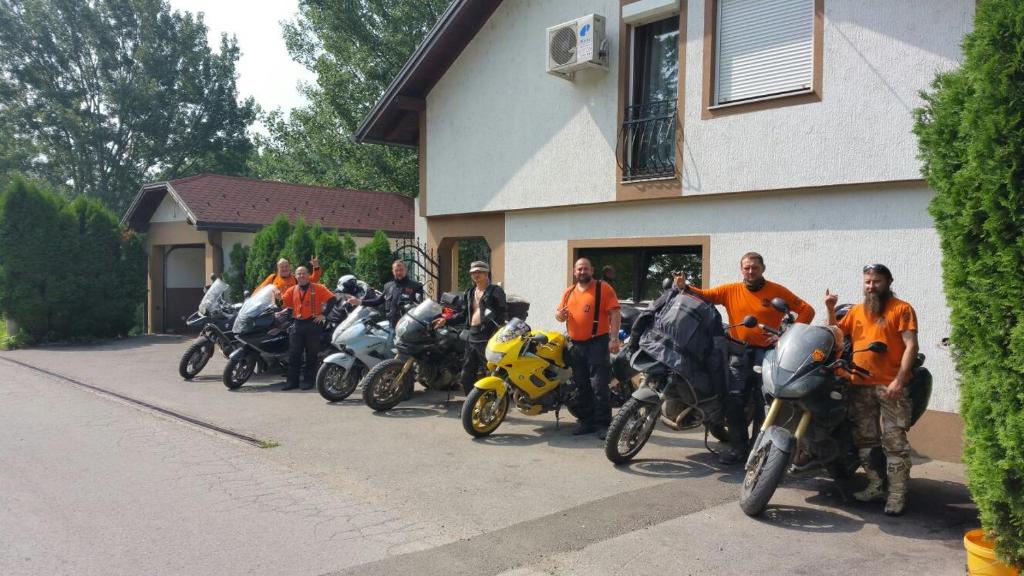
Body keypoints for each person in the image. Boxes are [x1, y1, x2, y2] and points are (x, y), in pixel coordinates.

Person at [674, 252, 815, 464]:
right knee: (733, 399)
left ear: (763, 269)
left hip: (767, 353)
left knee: (762, 401)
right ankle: (738, 448)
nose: (750, 271)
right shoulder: (731, 290)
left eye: (755, 268)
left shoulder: (777, 291)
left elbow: (807, 310)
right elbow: (706, 295)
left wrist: (786, 334)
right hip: (737, 352)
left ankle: (756, 450)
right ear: (741, 269)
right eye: (747, 268)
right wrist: (684, 286)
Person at [826, 263, 918, 516]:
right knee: (865, 439)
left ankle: (897, 495)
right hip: (859, 385)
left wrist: (899, 380)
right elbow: (836, 334)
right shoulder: (856, 310)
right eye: (867, 282)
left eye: (876, 281)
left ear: (888, 281)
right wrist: (830, 309)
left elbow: (911, 345)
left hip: (890, 386)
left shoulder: (902, 309)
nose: (871, 286)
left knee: (895, 443)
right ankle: (876, 485)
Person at [556, 258, 621, 438]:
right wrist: (559, 316)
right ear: (574, 271)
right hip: (575, 345)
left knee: (599, 385)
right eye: (579, 269)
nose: (582, 272)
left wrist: (614, 338)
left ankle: (603, 424)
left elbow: (615, 313)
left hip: (597, 343)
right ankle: (587, 422)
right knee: (581, 385)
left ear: (591, 270)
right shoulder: (569, 292)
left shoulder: (603, 288)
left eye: (585, 269)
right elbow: (559, 315)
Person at [434, 261, 507, 394]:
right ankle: (471, 405)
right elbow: (463, 314)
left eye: (479, 271)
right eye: (473, 272)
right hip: (471, 335)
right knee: (466, 374)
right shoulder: (470, 292)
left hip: (487, 335)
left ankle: (496, 402)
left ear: (486, 273)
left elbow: (502, 314)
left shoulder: (495, 291)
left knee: (491, 371)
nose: (476, 274)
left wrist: (497, 333)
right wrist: (446, 320)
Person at [279, 266, 336, 390]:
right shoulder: (291, 290)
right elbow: (285, 304)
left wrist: (323, 315)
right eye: (298, 274)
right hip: (297, 324)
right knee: (294, 355)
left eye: (303, 273)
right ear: (295, 276)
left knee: (311, 354)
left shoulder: (318, 288)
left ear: (308, 275)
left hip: (313, 324)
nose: (301, 276)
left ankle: (308, 381)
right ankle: (292, 382)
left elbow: (332, 299)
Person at [347, 260, 424, 328]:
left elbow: (421, 307)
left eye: (401, 270)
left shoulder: (415, 286)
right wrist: (359, 301)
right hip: (392, 325)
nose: (399, 272)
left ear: (406, 270)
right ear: (393, 271)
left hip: (408, 326)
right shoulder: (388, 286)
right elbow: (378, 301)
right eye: (396, 270)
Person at [254, 256, 322, 293]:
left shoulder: (296, 278)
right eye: (282, 267)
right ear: (278, 268)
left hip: (292, 312)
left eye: (286, 266)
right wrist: (250, 301)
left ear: (290, 267)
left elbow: (314, 279)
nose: (284, 269)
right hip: (275, 311)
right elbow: (260, 289)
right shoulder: (272, 278)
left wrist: (316, 267)